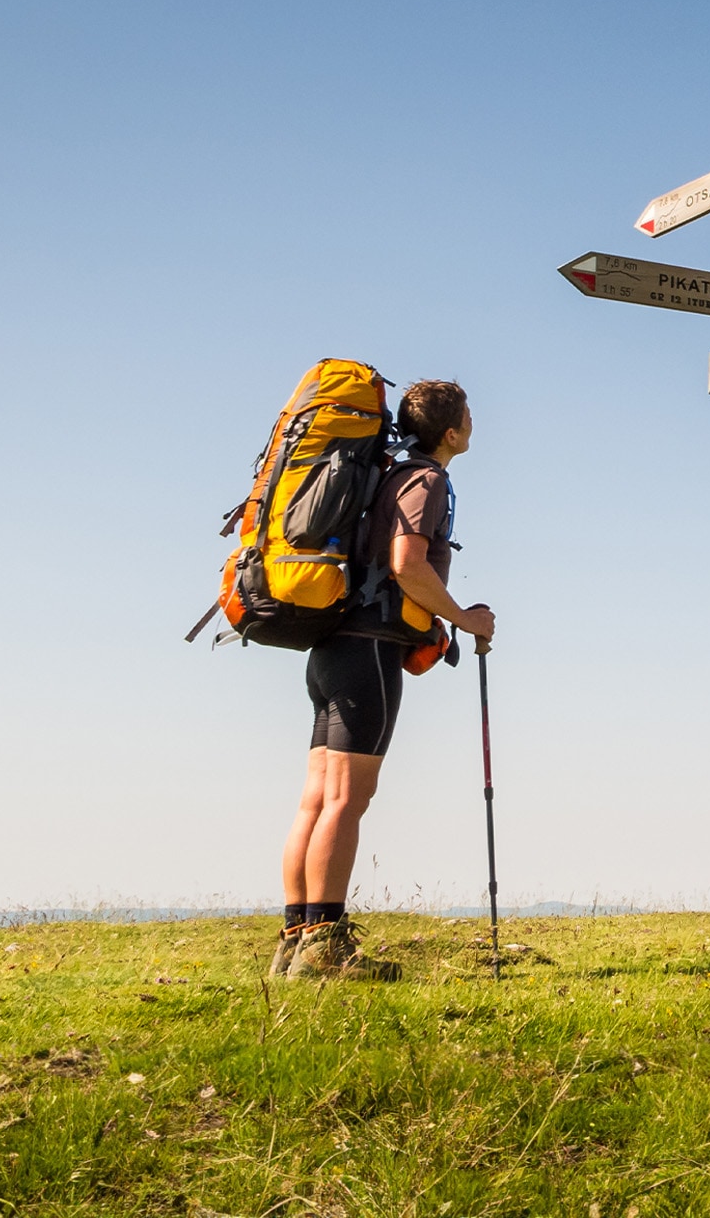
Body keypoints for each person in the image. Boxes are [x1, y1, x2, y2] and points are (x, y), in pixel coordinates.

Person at [269, 379, 497, 978]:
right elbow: (406, 563)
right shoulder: (425, 479)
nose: (473, 423)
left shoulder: (387, 472)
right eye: (468, 416)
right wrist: (464, 617)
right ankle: (324, 948)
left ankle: (296, 944)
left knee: (317, 799)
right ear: (451, 432)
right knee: (346, 800)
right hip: (368, 651)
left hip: (331, 649)